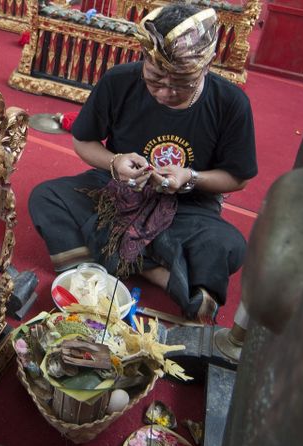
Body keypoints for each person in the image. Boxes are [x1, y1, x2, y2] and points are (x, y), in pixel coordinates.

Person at [29, 3, 258, 322]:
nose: (164, 92)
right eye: (154, 80)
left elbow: (238, 177)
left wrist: (189, 178)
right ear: (144, 61)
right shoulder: (119, 81)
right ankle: (158, 272)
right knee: (46, 197)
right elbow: (83, 141)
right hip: (117, 192)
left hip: (187, 206)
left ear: (206, 67)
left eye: (180, 84)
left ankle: (118, 254)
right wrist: (115, 162)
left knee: (229, 245)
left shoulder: (230, 103)